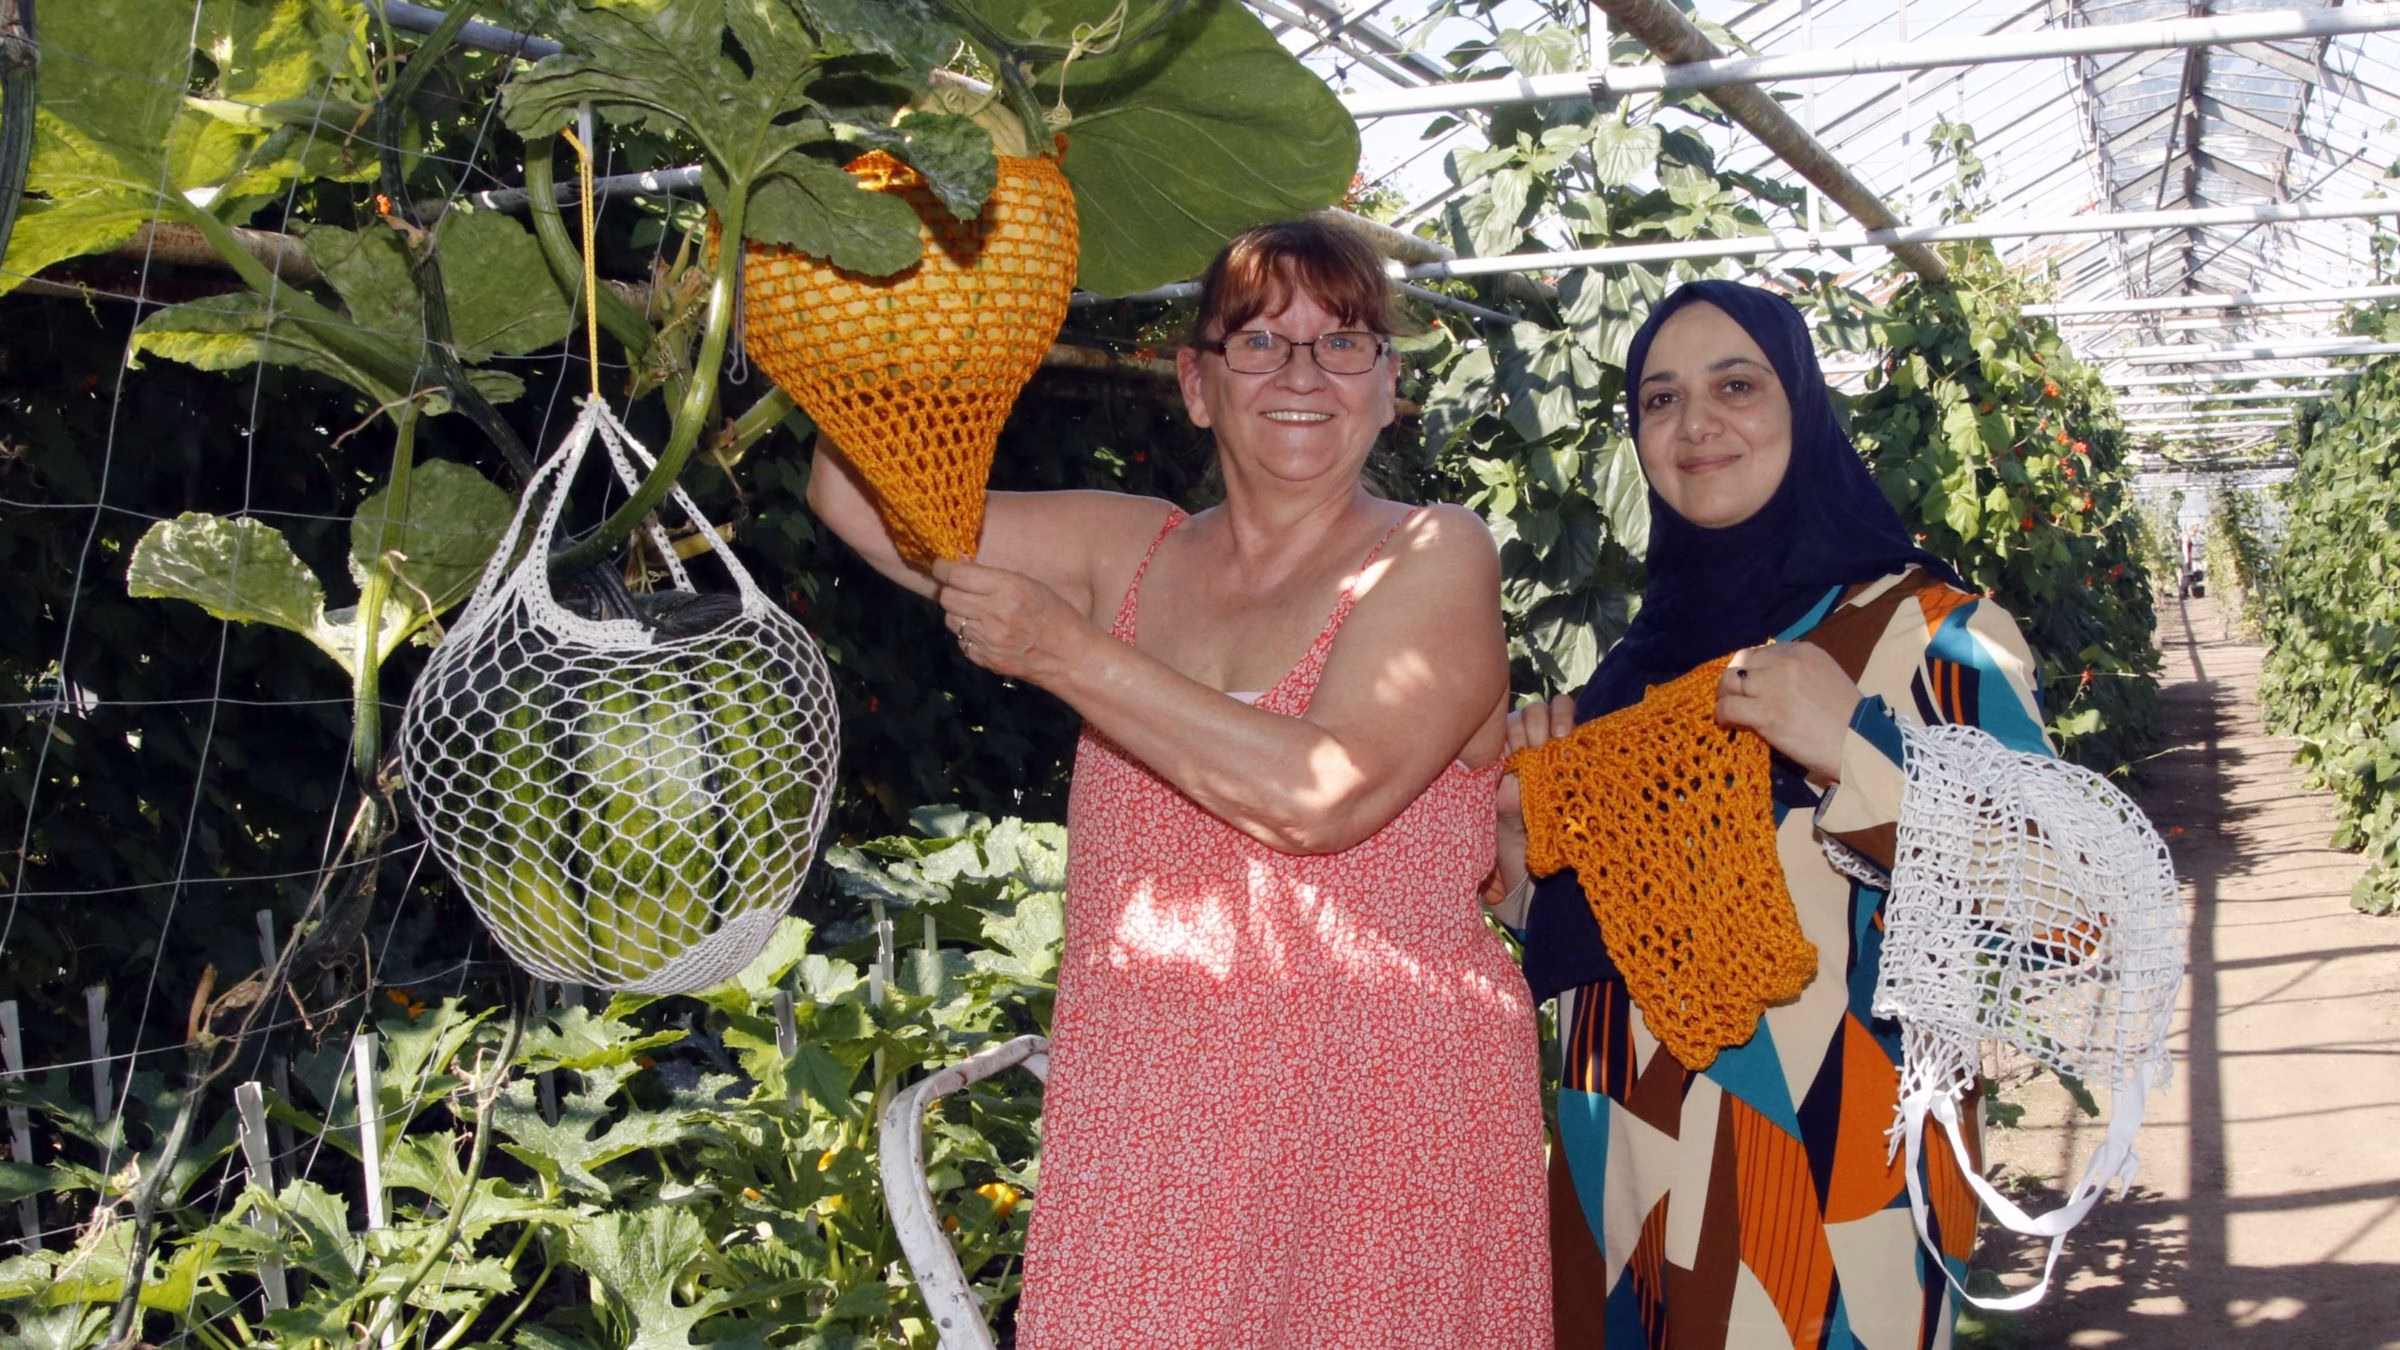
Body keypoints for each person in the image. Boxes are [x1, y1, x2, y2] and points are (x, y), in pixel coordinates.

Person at [808, 219, 1551, 1347]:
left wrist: (1065, 652)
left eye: (1344, 342)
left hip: (1380, 1125)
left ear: (1390, 388)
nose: (1303, 373)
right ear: (1196, 386)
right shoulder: (1130, 547)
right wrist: (917, 267)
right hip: (1154, 1115)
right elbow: (860, 498)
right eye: (1259, 342)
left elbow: (1321, 796)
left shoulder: (1434, 554)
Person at [1494, 279, 2054, 1348]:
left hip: (1825, 1191)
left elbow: (2057, 905)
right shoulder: (1629, 669)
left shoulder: (1928, 633)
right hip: (1627, 1199)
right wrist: (1524, 861)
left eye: (1736, 385)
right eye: (1659, 400)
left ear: (1802, 405)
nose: (1695, 424)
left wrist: (1852, 743)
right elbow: (1627, 944)